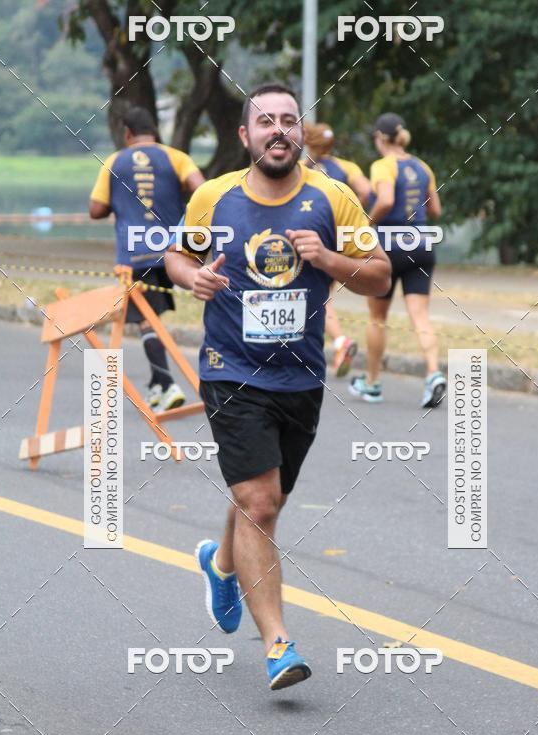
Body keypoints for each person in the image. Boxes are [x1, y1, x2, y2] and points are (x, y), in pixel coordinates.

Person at [166, 84, 390, 690]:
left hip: (301, 376)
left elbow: (379, 277)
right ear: (245, 137)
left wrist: (328, 260)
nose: (278, 130)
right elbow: (176, 257)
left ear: (300, 132)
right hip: (230, 369)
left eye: (288, 120)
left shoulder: (333, 199)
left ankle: (220, 563)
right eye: (265, 121)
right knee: (260, 504)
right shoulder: (214, 198)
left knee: (263, 500)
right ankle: (278, 646)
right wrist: (194, 278)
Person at [89, 106, 205, 411]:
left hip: (132, 256)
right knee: (150, 316)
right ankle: (156, 384)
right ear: (154, 132)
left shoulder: (115, 161)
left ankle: (166, 384)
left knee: (143, 320)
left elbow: (95, 209)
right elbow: (202, 190)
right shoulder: (176, 157)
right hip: (170, 251)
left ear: (127, 134)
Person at [349, 112, 446, 407]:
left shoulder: (382, 166)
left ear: (380, 138)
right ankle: (433, 374)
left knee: (378, 317)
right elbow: (436, 210)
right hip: (421, 244)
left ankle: (373, 384)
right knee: (420, 316)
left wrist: (365, 224)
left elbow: (387, 200)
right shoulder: (422, 166)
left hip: (390, 247)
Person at [304, 122, 373, 378]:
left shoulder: (303, 168)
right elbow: (366, 191)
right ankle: (336, 341)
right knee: (324, 293)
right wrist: (354, 211)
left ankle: (340, 340)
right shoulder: (347, 167)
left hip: (314, 233)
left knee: (319, 294)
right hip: (340, 234)